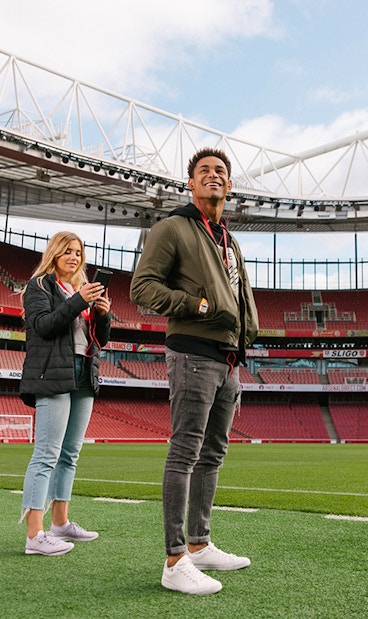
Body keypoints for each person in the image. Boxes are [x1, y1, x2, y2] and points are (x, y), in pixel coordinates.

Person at [130, 147, 259, 595]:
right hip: (192, 353)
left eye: (220, 171)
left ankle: (201, 544)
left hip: (227, 358)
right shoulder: (173, 227)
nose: (213, 176)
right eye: (203, 171)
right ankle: (174, 558)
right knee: (185, 451)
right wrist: (195, 305)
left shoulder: (228, 237)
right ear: (190, 183)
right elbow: (142, 286)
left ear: (229, 185)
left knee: (213, 454)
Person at [19, 231, 112, 556]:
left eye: (78, 252)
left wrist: (102, 314)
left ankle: (60, 523)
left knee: (70, 454)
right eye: (67, 251)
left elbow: (100, 338)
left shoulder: (79, 290)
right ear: (55, 254)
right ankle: (35, 534)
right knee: (46, 453)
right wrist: (78, 301)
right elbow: (43, 326)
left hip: (84, 373)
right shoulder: (40, 286)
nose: (74, 257)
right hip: (54, 374)